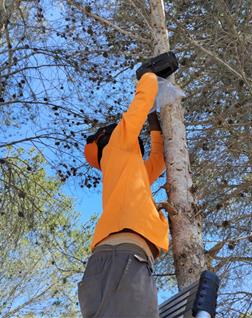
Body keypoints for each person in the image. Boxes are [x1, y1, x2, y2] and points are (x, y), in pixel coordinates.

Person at [80, 72, 169, 318]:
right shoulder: (117, 144)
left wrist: (154, 125)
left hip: (110, 260)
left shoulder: (128, 170)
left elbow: (159, 162)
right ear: (106, 139)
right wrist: (150, 76)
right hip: (124, 259)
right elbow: (137, 109)